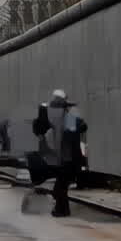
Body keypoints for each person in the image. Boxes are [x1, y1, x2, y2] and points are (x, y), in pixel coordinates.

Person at [45, 90, 87, 218]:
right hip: (66, 160)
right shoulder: (64, 120)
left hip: (68, 160)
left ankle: (61, 210)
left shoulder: (68, 120)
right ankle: (63, 210)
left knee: (60, 188)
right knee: (61, 187)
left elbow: (81, 127)